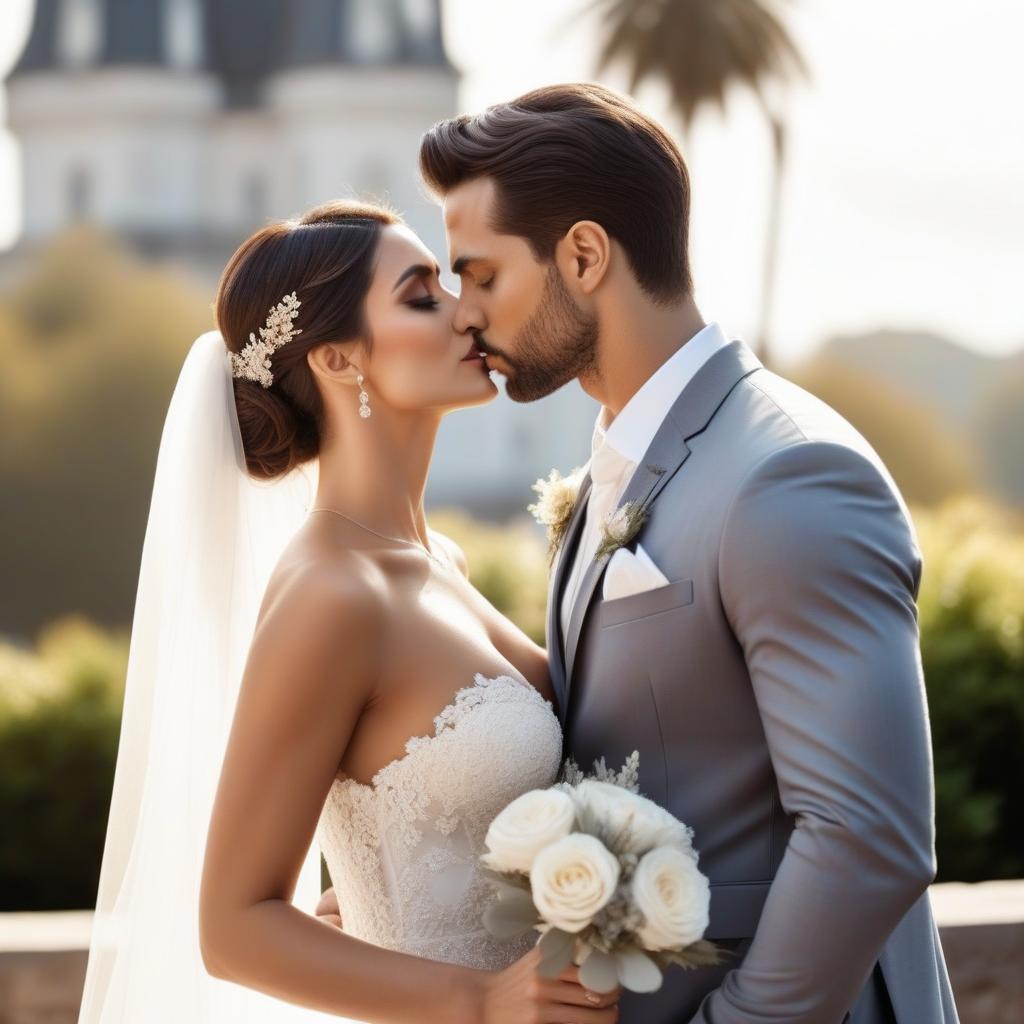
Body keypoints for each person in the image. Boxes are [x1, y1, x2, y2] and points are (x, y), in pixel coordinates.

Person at [409, 82, 961, 1023]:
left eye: (482, 275)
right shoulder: (611, 469)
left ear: (583, 255)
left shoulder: (790, 476)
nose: (464, 314)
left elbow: (869, 837)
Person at [75, 198, 621, 1024]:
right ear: (337, 361)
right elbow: (232, 928)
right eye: (420, 295)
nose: (466, 311)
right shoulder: (332, 595)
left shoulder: (441, 564)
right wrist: (478, 998)